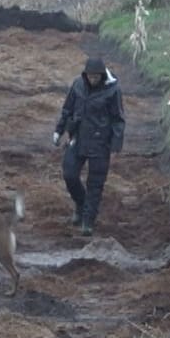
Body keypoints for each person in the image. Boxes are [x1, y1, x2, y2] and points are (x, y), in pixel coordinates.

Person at [53, 55, 126, 236]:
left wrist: (116, 145)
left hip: (101, 143)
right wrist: (59, 130)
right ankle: (81, 203)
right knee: (69, 174)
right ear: (85, 75)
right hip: (77, 138)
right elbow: (67, 109)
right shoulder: (78, 85)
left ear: (102, 75)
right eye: (90, 76)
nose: (93, 79)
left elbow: (118, 119)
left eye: (96, 76)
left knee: (95, 183)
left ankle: (88, 220)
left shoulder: (113, 90)